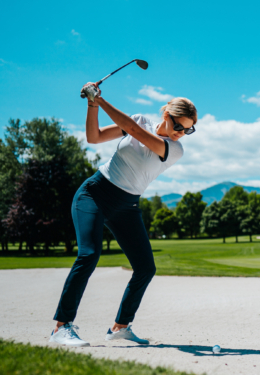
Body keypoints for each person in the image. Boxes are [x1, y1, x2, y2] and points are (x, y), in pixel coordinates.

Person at [49, 83, 197, 347]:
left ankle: (120, 327)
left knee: (145, 268)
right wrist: (92, 104)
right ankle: (61, 327)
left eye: (188, 130)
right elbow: (94, 137)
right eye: (179, 126)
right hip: (95, 194)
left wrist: (100, 100)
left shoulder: (174, 149)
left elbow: (134, 131)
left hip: (127, 205)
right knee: (89, 254)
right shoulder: (140, 119)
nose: (182, 134)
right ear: (167, 116)